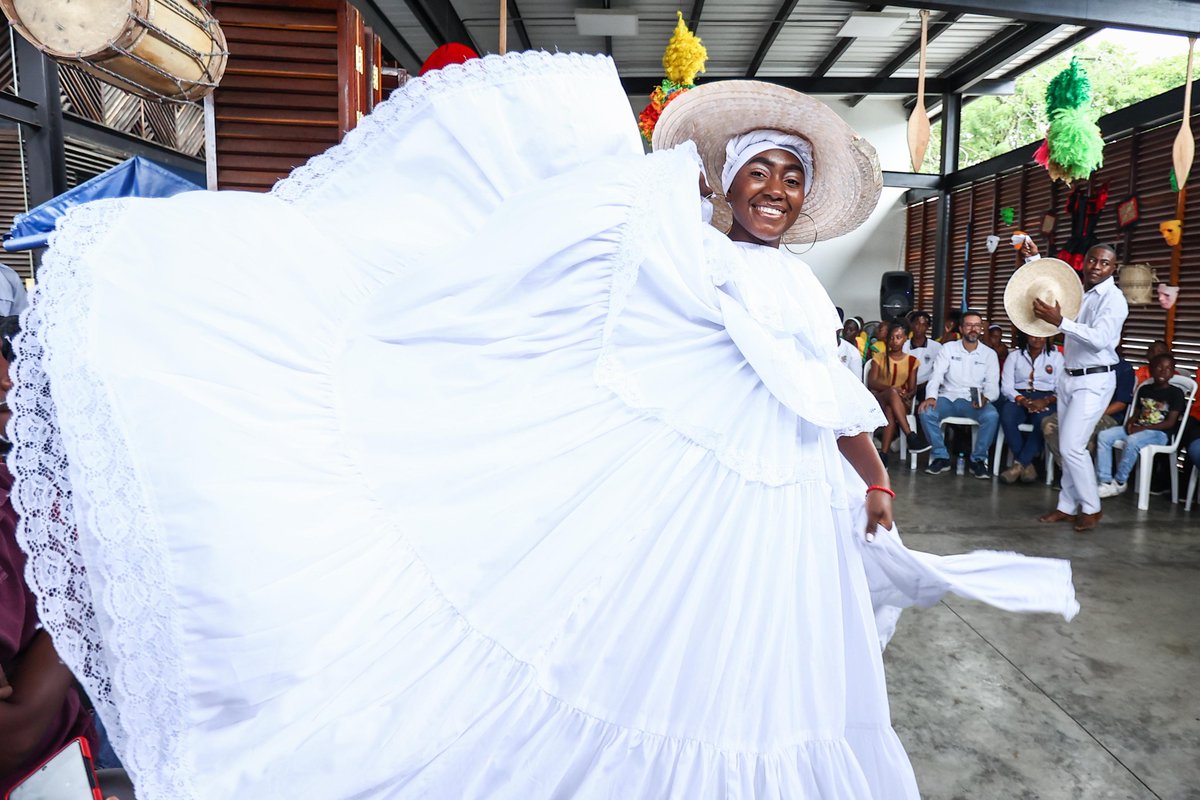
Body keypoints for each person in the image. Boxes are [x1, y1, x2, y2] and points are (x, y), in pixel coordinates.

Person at [8, 54, 1078, 798]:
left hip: (785, 529)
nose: (777, 187)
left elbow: (836, 400)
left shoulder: (800, 296)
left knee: (762, 691)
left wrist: (879, 484)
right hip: (689, 516)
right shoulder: (675, 252)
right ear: (725, 178)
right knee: (641, 672)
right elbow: (578, 304)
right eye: (761, 166)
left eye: (793, 178)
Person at [1031, 241, 1129, 532]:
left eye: (1104, 263)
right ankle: (1066, 506)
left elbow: (1099, 339)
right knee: (1068, 443)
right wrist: (1033, 258)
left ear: (1114, 268)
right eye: (1092, 261)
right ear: (1084, 262)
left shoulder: (1114, 299)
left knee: (1072, 445)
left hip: (1095, 379)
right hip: (1069, 376)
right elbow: (1046, 289)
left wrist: (1061, 321)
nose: (1096, 267)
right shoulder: (1081, 293)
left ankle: (1092, 508)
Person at [918, 310, 1001, 478]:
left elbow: (992, 384)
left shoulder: (989, 354)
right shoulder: (948, 349)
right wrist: (931, 397)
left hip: (974, 401)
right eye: (969, 325)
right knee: (926, 412)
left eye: (977, 326)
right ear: (962, 329)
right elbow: (936, 375)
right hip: (948, 397)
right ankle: (941, 457)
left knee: (992, 415)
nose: (973, 329)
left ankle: (978, 460)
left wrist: (986, 398)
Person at [1095, 352, 1184, 498]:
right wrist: (1130, 423)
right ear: (1151, 369)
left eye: (1168, 368)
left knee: (1133, 441)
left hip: (1159, 433)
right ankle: (1105, 481)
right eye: (1159, 367)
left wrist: (1142, 428)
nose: (1163, 371)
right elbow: (1136, 412)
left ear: (1173, 372)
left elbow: (1170, 423)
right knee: (1104, 436)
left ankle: (1120, 481)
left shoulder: (1176, 393)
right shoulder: (1144, 389)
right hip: (1138, 428)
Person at [997, 333, 1062, 484]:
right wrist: (1022, 400)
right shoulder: (1014, 356)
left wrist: (1045, 401)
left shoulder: (1056, 358)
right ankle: (1027, 465)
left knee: (1043, 420)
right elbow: (1006, 387)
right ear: (1026, 336)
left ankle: (1018, 466)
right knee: (1007, 415)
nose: (1037, 338)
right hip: (1019, 396)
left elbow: (1061, 388)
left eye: (1041, 335)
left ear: (1047, 337)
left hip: (1045, 398)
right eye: (1033, 335)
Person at [867, 320, 921, 464]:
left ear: (905, 339)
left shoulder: (912, 361)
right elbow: (872, 382)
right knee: (891, 393)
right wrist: (893, 389)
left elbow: (912, 388)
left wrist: (906, 395)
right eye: (891, 337)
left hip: (901, 403)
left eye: (898, 337)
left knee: (891, 408)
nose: (894, 341)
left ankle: (883, 455)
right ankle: (910, 434)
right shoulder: (879, 358)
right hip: (880, 399)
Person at [903, 310, 941, 402]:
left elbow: (939, 371)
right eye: (916, 324)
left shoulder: (936, 347)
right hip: (905, 385)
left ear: (928, 327)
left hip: (926, 387)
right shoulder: (903, 345)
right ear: (911, 325)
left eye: (923, 325)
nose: (919, 328)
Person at [835, 310, 862, 375]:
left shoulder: (854, 351)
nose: (847, 332)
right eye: (845, 328)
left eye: (851, 330)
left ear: (857, 333)